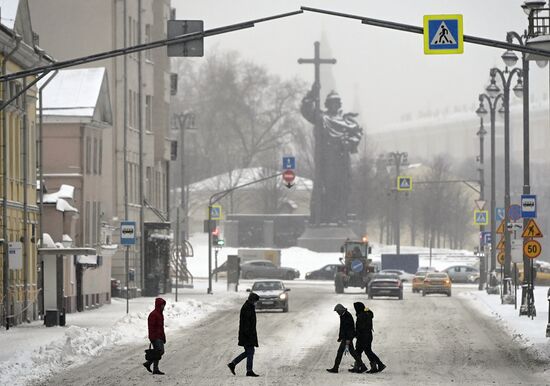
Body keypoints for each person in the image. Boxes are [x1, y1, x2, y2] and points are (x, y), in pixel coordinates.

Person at [326, 303, 367, 374]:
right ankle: (362, 366)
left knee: (340, 352)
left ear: (341, 310)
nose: (337, 313)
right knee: (352, 352)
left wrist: (348, 339)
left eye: (338, 311)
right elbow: (342, 328)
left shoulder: (347, 316)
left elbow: (349, 329)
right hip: (346, 337)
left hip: (347, 338)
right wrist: (340, 337)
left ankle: (336, 368)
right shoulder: (343, 315)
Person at [228, 292, 260, 377]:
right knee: (250, 351)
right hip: (247, 335)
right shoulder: (247, 308)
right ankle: (249, 371)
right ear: (252, 300)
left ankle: (233, 364)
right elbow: (246, 324)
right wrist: (249, 336)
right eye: (256, 301)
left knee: (248, 352)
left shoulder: (249, 307)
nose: (256, 303)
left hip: (248, 334)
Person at [351, 302, 386, 374]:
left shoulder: (362, 315)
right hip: (367, 335)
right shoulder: (367, 312)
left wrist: (355, 334)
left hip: (363, 336)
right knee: (359, 351)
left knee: (367, 351)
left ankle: (377, 365)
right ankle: (358, 366)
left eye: (356, 308)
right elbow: (369, 310)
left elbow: (360, 328)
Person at [143, 297, 167, 375]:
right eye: (162, 305)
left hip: (159, 336)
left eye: (164, 305)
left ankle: (150, 364)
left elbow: (161, 327)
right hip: (156, 337)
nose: (163, 307)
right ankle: (153, 367)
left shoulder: (160, 314)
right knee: (159, 352)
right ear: (159, 305)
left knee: (159, 352)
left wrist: (163, 337)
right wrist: (152, 338)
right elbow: (151, 327)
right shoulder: (154, 314)